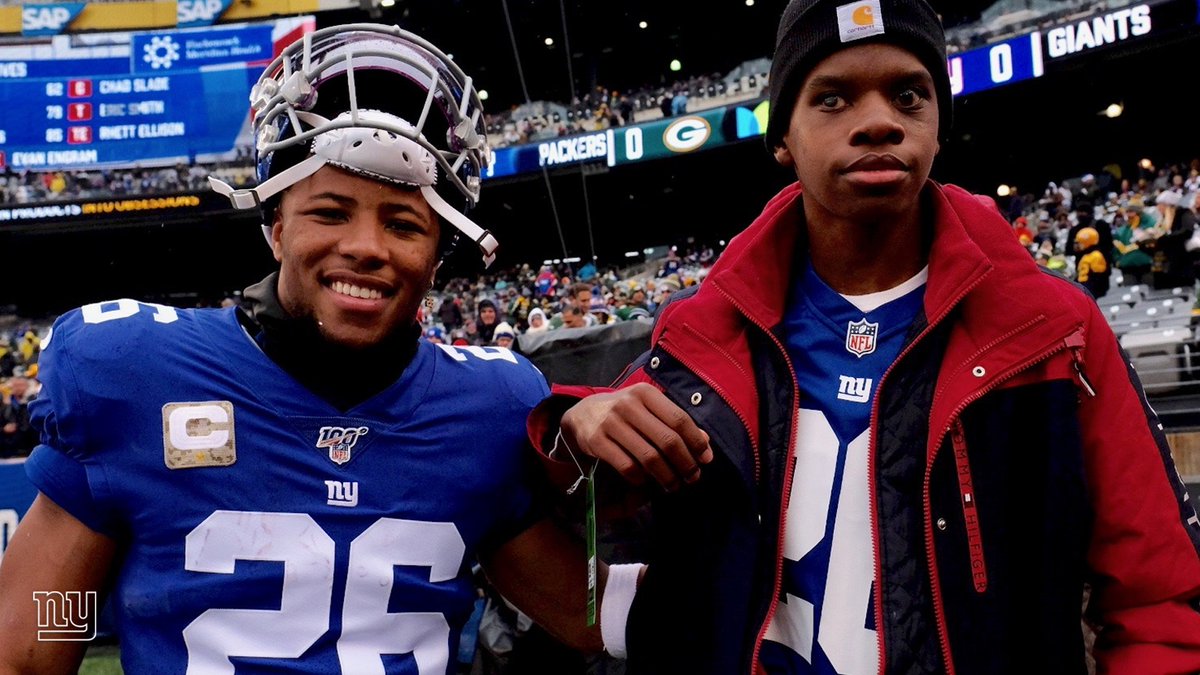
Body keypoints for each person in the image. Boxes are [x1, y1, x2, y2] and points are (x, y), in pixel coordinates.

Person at [528, 1, 1200, 673]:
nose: (879, 121)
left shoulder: (1054, 329)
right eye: (832, 98)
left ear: (938, 127)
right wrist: (575, 431)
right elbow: (574, 501)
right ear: (782, 137)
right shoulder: (702, 330)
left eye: (909, 95)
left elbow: (1159, 601)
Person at [0, 25, 612, 675]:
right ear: (276, 226)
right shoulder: (136, 371)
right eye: (330, 212)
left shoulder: (489, 407)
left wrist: (657, 447)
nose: (366, 247)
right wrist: (69, 606)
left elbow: (594, 617)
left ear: (439, 255)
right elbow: (31, 651)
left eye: (403, 224)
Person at [1073, 226, 1110, 299]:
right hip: (1084, 287)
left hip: (1090, 289)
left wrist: (1090, 289)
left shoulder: (1096, 255)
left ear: (1086, 242)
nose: (1078, 245)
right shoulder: (1086, 255)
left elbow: (1098, 276)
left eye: (1080, 243)